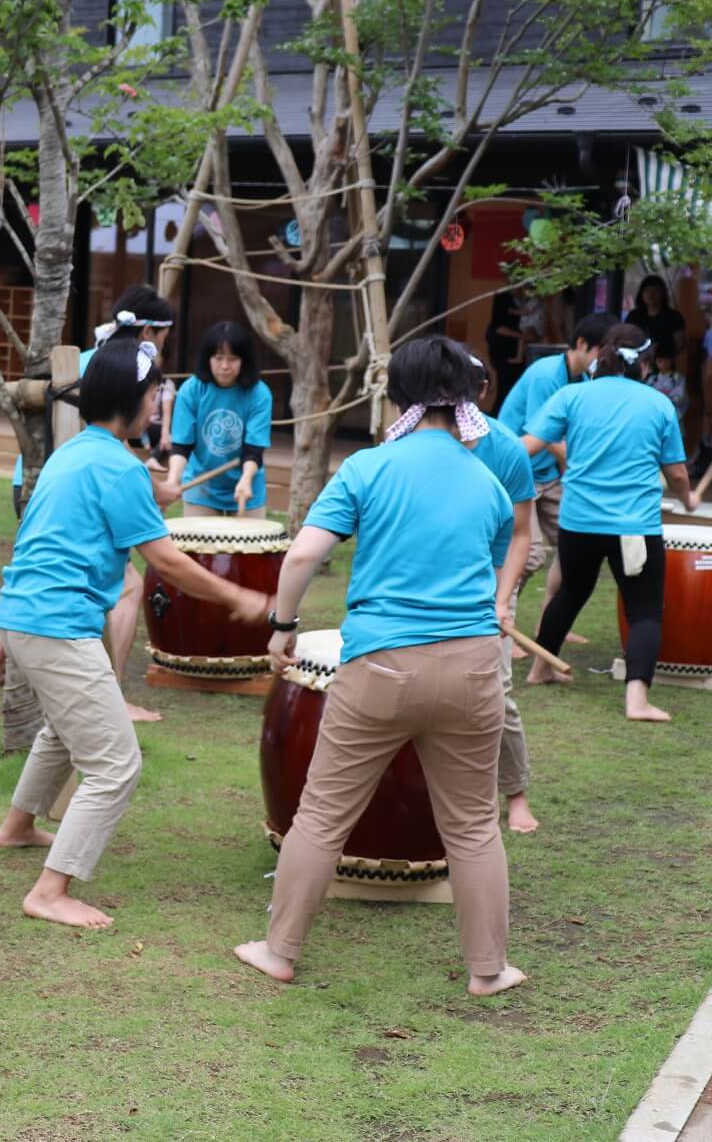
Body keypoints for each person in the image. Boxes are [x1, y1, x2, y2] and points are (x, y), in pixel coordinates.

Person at [234, 338, 524, 995]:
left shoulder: (367, 467)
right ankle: (489, 969)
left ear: (398, 397)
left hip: (381, 665)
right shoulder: (489, 483)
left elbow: (302, 556)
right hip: (475, 666)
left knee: (322, 813)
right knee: (474, 825)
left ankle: (279, 952)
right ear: (467, 397)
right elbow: (491, 571)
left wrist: (284, 625)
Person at [0, 338, 269, 929]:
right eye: (153, 395)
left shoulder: (76, 451)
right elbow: (165, 562)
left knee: (66, 729)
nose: (157, 405)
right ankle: (50, 892)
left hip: (23, 617)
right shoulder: (119, 469)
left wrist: (151, 488)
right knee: (116, 763)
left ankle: (17, 827)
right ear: (133, 399)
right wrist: (239, 597)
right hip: (56, 626)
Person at [0, 285, 176, 725]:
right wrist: (155, 491)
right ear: (148, 332)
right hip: (64, 487)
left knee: (43, 572)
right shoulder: (121, 372)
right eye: (163, 338)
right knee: (127, 586)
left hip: (43, 479)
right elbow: (111, 455)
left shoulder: (93, 360)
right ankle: (113, 695)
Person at [521, 324, 699, 722]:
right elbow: (676, 473)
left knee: (569, 593)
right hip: (633, 527)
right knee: (644, 611)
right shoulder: (658, 404)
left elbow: (526, 447)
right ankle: (637, 701)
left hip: (578, 523)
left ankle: (540, 668)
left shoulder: (573, 395)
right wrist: (688, 499)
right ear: (644, 364)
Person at [495, 313, 618, 646]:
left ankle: (549, 627)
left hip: (548, 474)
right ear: (582, 344)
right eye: (602, 350)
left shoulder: (584, 381)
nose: (606, 359)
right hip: (519, 473)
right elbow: (544, 434)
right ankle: (502, 626)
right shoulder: (546, 374)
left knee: (574, 547)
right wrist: (582, 464)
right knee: (530, 555)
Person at [470, 356, 542, 834]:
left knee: (495, 692)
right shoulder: (412, 441)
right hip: (433, 581)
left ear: (483, 389)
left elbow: (520, 532)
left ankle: (515, 793)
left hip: (491, 577)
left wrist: (501, 600)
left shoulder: (505, 448)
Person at [167, 321, 274, 516]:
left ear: (244, 361)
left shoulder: (259, 394)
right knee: (197, 538)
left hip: (246, 484)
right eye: (218, 358)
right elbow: (181, 446)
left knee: (251, 538)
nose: (224, 366)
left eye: (233, 359)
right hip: (201, 485)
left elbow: (253, 452)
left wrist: (246, 479)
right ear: (207, 359)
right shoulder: (191, 390)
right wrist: (173, 480)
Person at [624, 275, 687, 371]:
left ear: (663, 293)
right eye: (647, 291)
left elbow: (679, 344)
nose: (651, 295)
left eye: (656, 291)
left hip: (663, 366)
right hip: (636, 364)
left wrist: (667, 357)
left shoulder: (674, 317)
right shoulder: (634, 316)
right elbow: (625, 338)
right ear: (641, 293)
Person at [485, 286, 527, 404]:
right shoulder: (503, 300)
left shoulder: (522, 298)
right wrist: (521, 336)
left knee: (513, 388)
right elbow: (498, 327)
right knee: (505, 388)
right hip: (503, 352)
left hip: (517, 352)